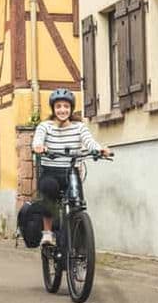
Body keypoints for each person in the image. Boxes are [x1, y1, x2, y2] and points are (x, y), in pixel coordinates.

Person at [31, 89, 111, 247]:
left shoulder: (79, 127)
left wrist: (99, 149)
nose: (62, 110)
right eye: (59, 106)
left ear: (71, 108)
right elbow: (37, 140)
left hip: (71, 172)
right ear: (53, 108)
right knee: (48, 191)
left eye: (66, 106)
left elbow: (89, 142)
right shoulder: (45, 126)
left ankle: (77, 237)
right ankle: (47, 233)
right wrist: (39, 146)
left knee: (77, 201)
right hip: (50, 172)